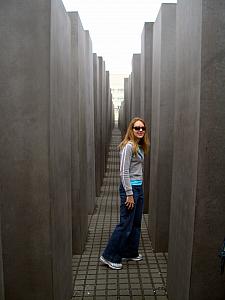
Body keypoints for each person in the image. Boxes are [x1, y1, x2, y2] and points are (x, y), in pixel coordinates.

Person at [100, 117, 150, 270]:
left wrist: (138, 190)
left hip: (138, 189)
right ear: (131, 130)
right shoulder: (128, 146)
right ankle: (109, 256)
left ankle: (130, 251)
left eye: (142, 128)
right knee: (125, 224)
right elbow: (123, 172)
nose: (140, 130)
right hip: (130, 190)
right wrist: (129, 193)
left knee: (135, 223)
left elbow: (137, 171)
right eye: (137, 128)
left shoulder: (139, 147)